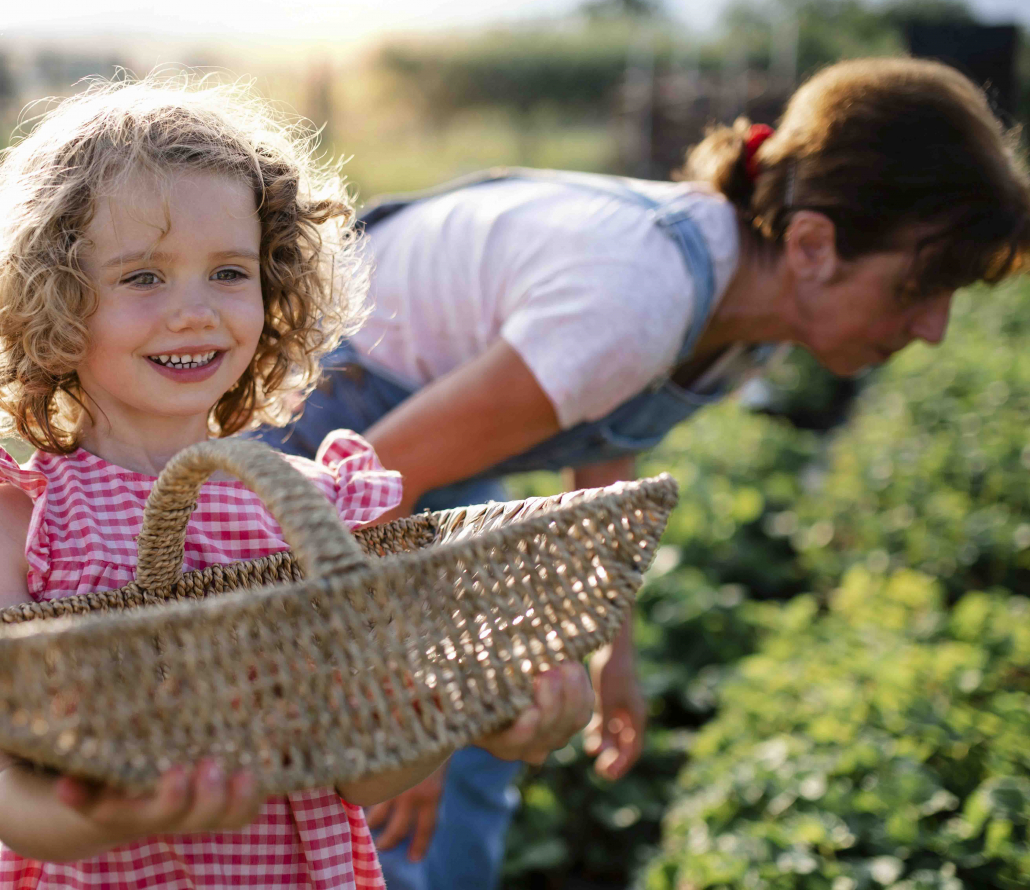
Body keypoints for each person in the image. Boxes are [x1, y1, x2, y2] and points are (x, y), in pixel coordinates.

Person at [261, 56, 1030, 890]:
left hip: (416, 445)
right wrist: (404, 707)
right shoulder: (639, 293)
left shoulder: (750, 305)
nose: (935, 328)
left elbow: (603, 428)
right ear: (813, 243)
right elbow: (372, 485)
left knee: (487, 732)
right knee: (373, 775)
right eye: (922, 285)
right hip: (329, 430)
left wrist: (608, 649)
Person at [0, 77, 595, 889]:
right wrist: (110, 812)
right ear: (55, 299)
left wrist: (464, 713)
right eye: (144, 277)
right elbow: (11, 796)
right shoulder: (25, 520)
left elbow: (358, 773)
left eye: (229, 272)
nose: (195, 311)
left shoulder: (314, 510)